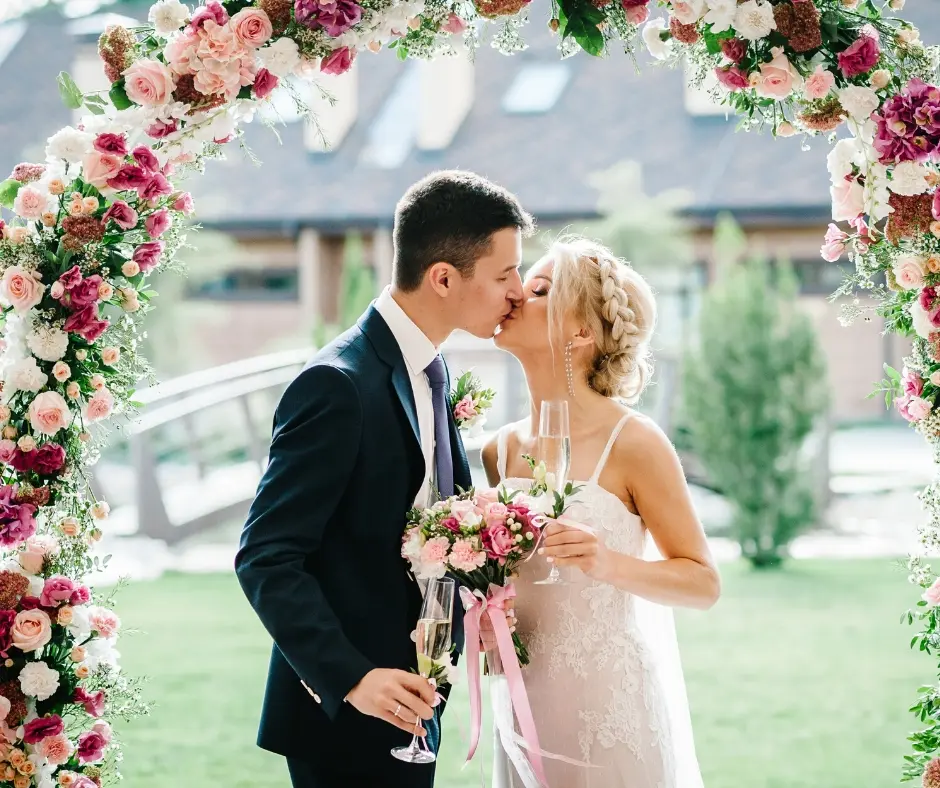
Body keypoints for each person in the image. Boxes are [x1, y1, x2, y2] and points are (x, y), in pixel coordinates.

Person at [235, 170, 534, 788]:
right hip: (346, 716)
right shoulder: (338, 385)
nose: (518, 291)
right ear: (444, 277)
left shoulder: (432, 370)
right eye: (504, 275)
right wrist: (351, 678)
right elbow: (266, 556)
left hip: (414, 699)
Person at [483, 235, 721, 788]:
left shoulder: (635, 443)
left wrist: (606, 561)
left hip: (611, 710)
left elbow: (703, 582)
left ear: (583, 332)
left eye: (539, 289)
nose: (517, 294)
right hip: (522, 709)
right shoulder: (500, 449)